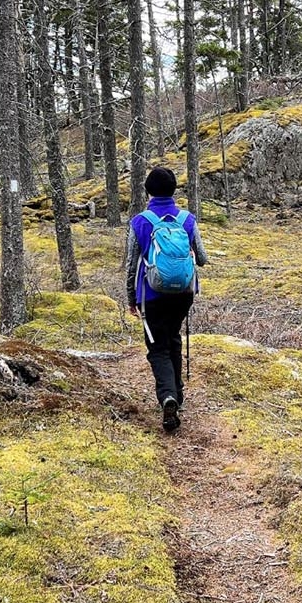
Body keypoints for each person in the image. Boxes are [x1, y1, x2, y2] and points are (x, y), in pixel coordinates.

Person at [125, 166, 209, 433]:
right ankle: (178, 395)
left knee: (157, 346)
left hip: (152, 295)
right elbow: (203, 258)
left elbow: (130, 265)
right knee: (172, 337)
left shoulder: (140, 221)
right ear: (174, 190)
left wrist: (131, 299)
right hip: (184, 293)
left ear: (147, 191)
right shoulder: (187, 219)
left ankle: (167, 397)